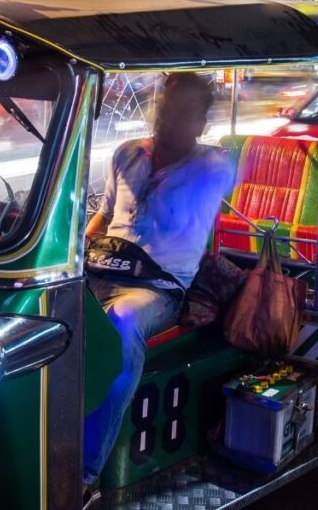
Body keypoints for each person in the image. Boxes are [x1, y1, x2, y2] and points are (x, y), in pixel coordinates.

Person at [81, 72, 236, 507]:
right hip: (102, 269)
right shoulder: (126, 154)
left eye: (184, 114)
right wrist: (74, 248)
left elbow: (220, 182)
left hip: (157, 289)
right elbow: (107, 214)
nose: (169, 121)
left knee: (122, 322)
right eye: (165, 109)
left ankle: (84, 470)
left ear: (202, 124)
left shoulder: (211, 167)